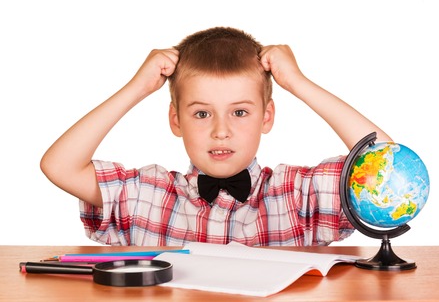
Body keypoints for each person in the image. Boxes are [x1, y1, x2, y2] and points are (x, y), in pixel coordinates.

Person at [40, 26, 392, 246]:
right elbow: (60, 166)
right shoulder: (145, 194)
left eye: (240, 112)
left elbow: (388, 167)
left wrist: (298, 83)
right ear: (176, 121)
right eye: (201, 113)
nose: (220, 131)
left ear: (266, 117)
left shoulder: (300, 194)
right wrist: (136, 88)